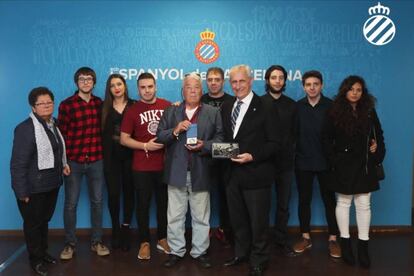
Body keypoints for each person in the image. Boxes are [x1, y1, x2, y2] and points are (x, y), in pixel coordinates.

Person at [156, 72, 223, 269]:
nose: (192, 90)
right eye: (188, 87)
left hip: (201, 171)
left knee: (201, 216)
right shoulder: (171, 111)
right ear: (182, 91)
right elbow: (160, 136)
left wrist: (204, 145)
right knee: (175, 215)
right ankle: (176, 251)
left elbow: (221, 140)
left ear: (202, 92)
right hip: (176, 172)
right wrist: (176, 130)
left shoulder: (212, 112)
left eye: (196, 87)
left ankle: (200, 251)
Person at [221, 65, 278, 276]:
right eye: (233, 82)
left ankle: (259, 259)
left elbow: (275, 143)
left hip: (257, 173)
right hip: (232, 175)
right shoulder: (227, 106)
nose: (237, 86)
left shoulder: (266, 106)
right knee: (238, 220)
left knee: (258, 222)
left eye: (241, 81)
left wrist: (252, 155)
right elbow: (227, 140)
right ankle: (241, 253)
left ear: (251, 81)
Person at [323, 75, 385, 268]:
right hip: (343, 166)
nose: (355, 93)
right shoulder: (334, 111)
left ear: (362, 92)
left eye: (358, 90)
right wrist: (335, 160)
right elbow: (325, 139)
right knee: (343, 202)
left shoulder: (369, 110)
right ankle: (346, 245)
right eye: (351, 89)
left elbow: (379, 134)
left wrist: (377, 152)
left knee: (364, 204)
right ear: (345, 90)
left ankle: (363, 248)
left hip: (364, 165)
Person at [11, 87, 70, 276]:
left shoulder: (53, 124)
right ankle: (35, 260)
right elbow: (18, 163)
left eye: (49, 102)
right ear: (33, 107)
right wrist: (21, 192)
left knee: (44, 221)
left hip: (51, 184)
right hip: (33, 187)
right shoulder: (25, 129)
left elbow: (57, 150)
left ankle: (43, 253)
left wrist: (63, 165)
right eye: (41, 103)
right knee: (33, 225)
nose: (46, 106)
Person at [58, 67, 110, 260]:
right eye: (82, 79)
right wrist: (64, 161)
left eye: (89, 79)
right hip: (74, 162)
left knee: (97, 202)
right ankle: (69, 244)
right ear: (76, 82)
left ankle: (97, 242)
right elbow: (61, 136)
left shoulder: (101, 104)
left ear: (94, 82)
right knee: (70, 204)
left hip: (97, 160)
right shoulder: (67, 105)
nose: (86, 82)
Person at [120, 72, 171, 260]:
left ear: (155, 86)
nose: (147, 90)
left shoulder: (167, 106)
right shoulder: (132, 110)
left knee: (163, 204)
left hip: (164, 166)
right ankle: (144, 242)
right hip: (141, 167)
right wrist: (144, 146)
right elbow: (124, 140)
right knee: (142, 205)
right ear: (138, 88)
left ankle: (162, 238)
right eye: (143, 87)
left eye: (150, 86)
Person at [293, 70, 341, 258]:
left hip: (326, 163)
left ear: (322, 85)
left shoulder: (332, 107)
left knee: (330, 201)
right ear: (303, 86)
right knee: (304, 201)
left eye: (316, 84)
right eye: (308, 84)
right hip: (303, 161)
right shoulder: (297, 107)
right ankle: (305, 237)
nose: (312, 87)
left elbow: (339, 135)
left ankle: (333, 238)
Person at [261, 65, 297, 257]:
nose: (277, 81)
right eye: (273, 77)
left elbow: (296, 134)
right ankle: (261, 242)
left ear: (284, 81)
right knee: (262, 205)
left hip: (285, 164)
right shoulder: (257, 102)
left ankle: (281, 240)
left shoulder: (292, 105)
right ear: (267, 80)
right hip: (263, 163)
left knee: (283, 204)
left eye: (280, 78)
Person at [102, 74, 135, 251]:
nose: (116, 88)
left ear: (124, 86)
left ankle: (126, 228)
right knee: (114, 195)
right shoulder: (103, 107)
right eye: (113, 85)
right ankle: (115, 229)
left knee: (129, 194)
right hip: (111, 159)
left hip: (131, 157)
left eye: (119, 84)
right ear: (109, 89)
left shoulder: (135, 105)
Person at [201, 67, 234, 246]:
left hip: (226, 152)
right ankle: (203, 231)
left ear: (223, 81)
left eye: (217, 79)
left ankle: (224, 229)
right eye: (210, 79)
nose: (213, 82)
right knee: (203, 195)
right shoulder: (199, 99)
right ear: (206, 81)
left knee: (226, 195)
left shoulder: (232, 100)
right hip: (204, 152)